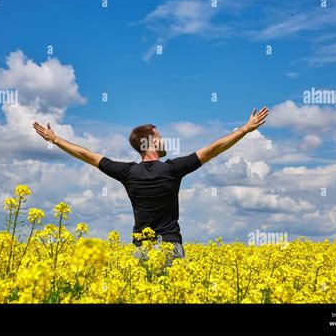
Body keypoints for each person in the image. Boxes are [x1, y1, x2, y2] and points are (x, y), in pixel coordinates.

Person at [33, 107, 268, 264]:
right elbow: (213, 149)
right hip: (169, 247)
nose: (163, 139)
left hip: (141, 251)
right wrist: (244, 130)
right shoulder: (173, 169)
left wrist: (56, 140)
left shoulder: (127, 172)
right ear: (152, 140)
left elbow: (88, 155)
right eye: (160, 135)